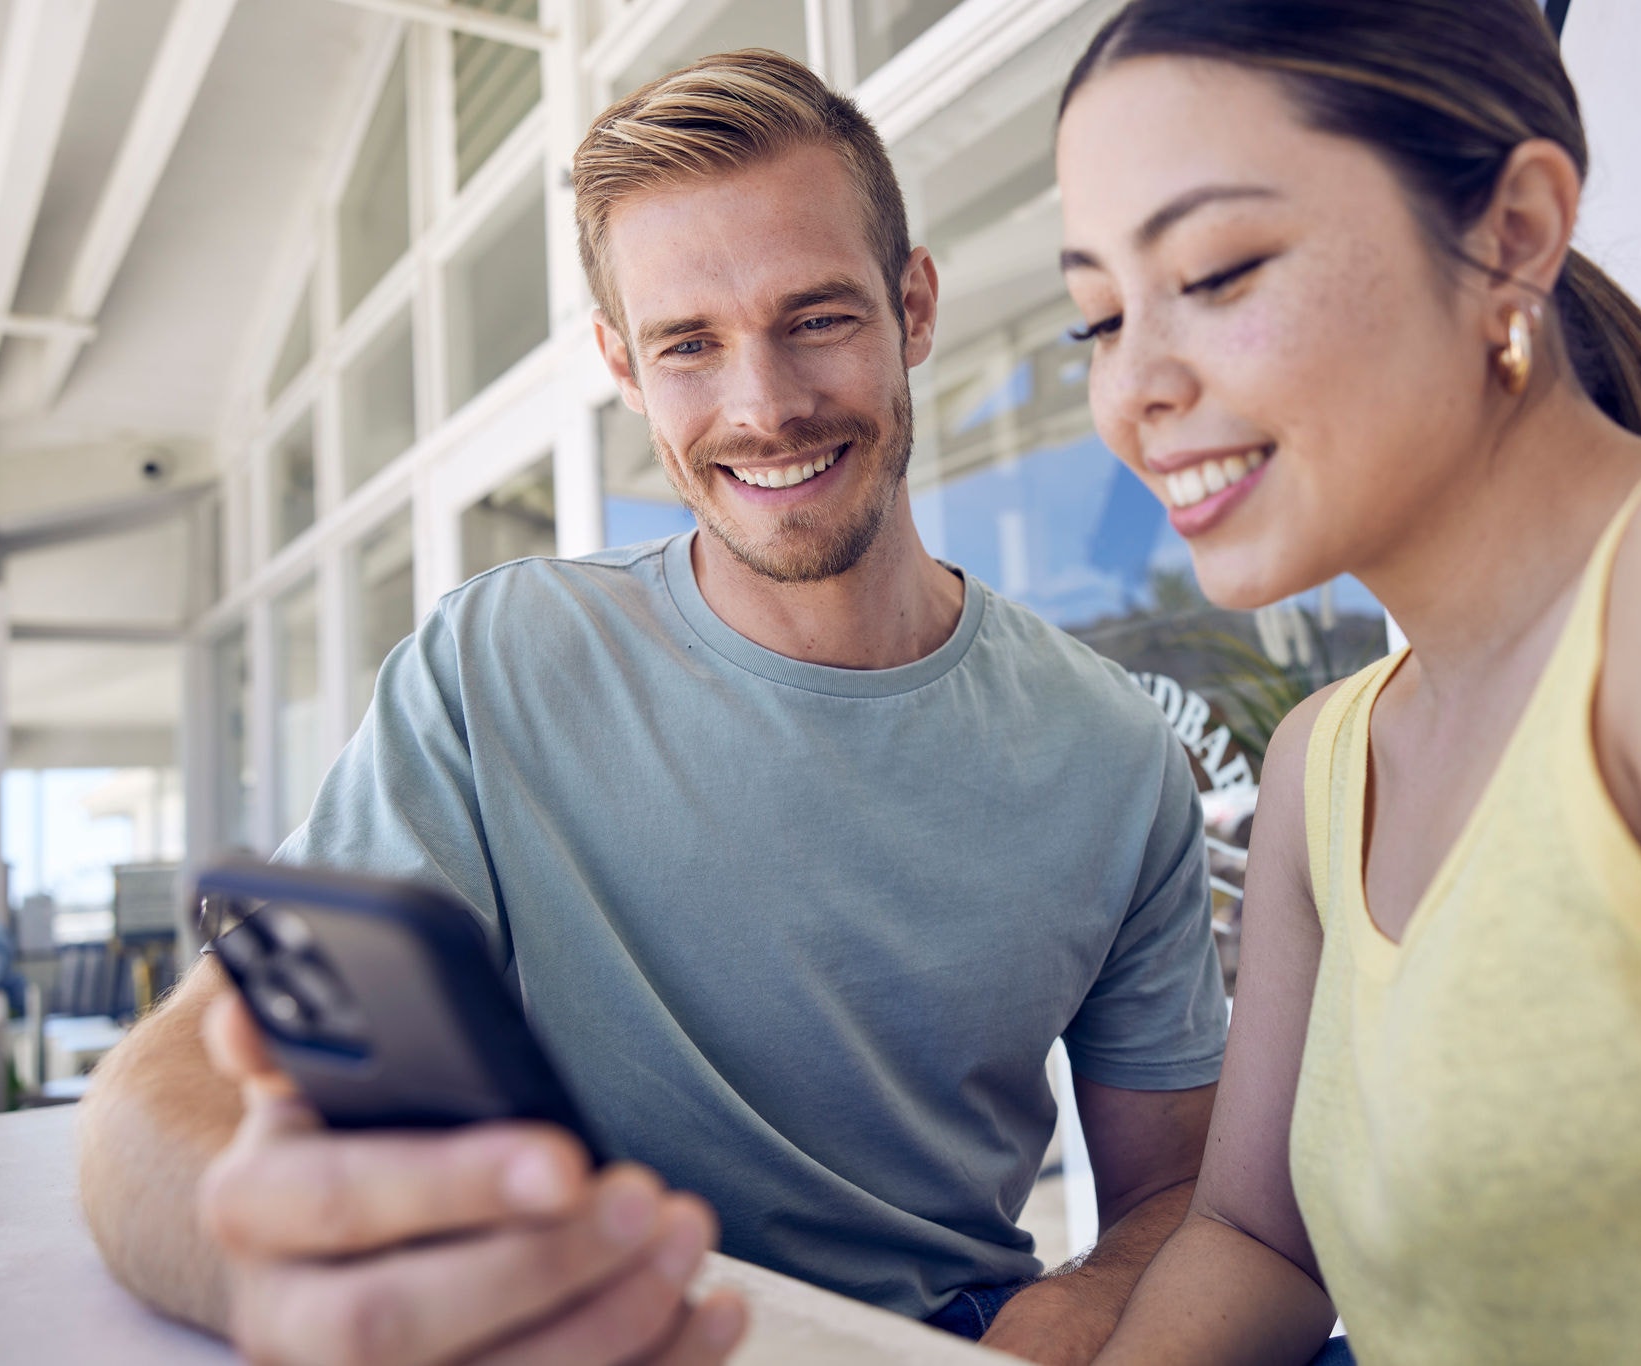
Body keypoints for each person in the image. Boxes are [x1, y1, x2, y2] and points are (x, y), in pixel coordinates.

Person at [78, 51, 1228, 1366]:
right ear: (625, 367)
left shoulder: (1113, 752)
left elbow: (1175, 1198)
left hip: (941, 1338)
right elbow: (172, 1090)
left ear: (914, 307)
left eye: (818, 318)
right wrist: (294, 1280)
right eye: (691, 344)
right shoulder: (497, 662)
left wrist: (1075, 1312)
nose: (763, 404)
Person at [1049, 2, 1641, 1363]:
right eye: (1095, 319)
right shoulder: (1329, 756)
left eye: (1218, 269)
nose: (1131, 386)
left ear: (1515, 231)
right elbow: (1259, 1236)